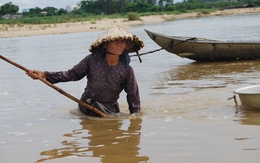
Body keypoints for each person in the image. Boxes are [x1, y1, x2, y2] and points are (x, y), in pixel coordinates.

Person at [27, 25, 144, 117]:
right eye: (115, 41)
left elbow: (133, 95)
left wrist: (135, 119)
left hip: (110, 111)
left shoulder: (127, 70)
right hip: (87, 107)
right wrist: (44, 75)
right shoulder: (91, 60)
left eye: (122, 41)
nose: (119, 44)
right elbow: (72, 74)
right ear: (105, 44)